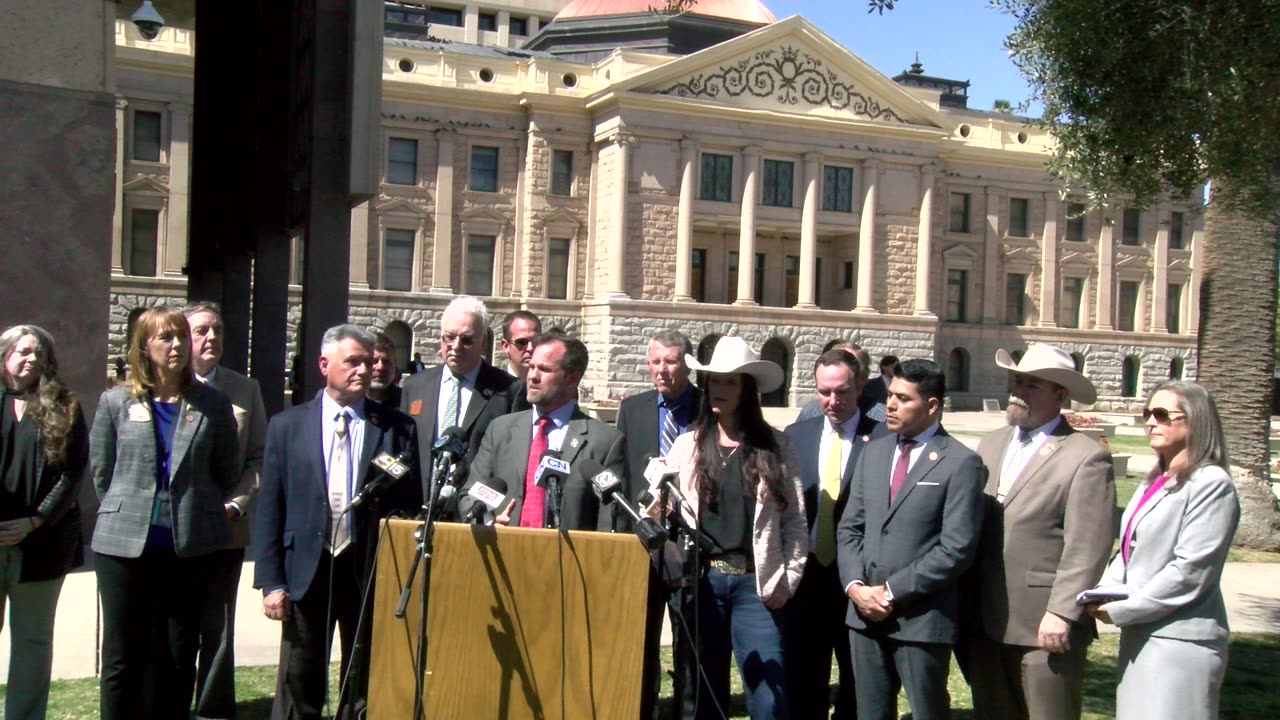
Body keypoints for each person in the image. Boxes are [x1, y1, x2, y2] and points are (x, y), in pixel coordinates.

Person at [254, 324, 420, 720]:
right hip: (306, 568)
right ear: (324, 365)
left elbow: (410, 503)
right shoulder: (287, 426)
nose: (364, 370)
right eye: (353, 362)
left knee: (362, 675)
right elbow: (270, 509)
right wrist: (272, 582)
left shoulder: (397, 428)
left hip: (366, 569)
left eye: (369, 362)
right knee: (299, 675)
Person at [89, 306, 238, 720]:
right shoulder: (116, 401)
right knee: (123, 652)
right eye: (165, 338)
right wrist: (130, 509)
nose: (177, 345)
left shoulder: (212, 403)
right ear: (143, 347)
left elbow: (225, 471)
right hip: (123, 547)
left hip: (188, 545)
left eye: (181, 337)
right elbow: (103, 472)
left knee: (178, 649)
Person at [659, 336, 807, 720]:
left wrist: (787, 579)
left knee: (768, 695)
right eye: (714, 381)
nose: (719, 390)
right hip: (704, 582)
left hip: (754, 585)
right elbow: (665, 509)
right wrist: (656, 503)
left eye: (730, 382)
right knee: (705, 689)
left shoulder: (776, 447)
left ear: (746, 390)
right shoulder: (687, 445)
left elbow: (794, 520)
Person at [966, 343, 1115, 720]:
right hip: (984, 618)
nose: (1017, 391)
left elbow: (1088, 544)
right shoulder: (991, 444)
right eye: (1016, 381)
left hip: (1043, 625)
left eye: (1031, 385)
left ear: (1060, 394)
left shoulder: (1085, 455)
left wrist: (1063, 612)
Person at [837, 359, 985, 720]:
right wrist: (856, 586)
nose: (889, 404)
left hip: (921, 619)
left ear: (932, 406)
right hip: (863, 616)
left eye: (903, 398)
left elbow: (956, 548)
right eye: (889, 395)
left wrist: (889, 592)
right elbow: (850, 528)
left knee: (927, 711)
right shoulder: (874, 451)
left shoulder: (961, 463)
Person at [1085, 380, 1240, 720]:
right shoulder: (1155, 479)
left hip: (1180, 642)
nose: (1151, 422)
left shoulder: (1212, 484)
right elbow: (1129, 552)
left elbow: (1190, 572)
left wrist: (1123, 610)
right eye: (1147, 414)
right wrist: (1104, 593)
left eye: (1161, 414)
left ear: (1196, 421)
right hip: (1141, 635)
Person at [784, 347, 885, 720]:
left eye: (842, 391)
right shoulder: (795, 436)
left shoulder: (884, 439)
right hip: (807, 577)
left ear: (859, 387)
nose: (832, 400)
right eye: (825, 392)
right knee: (803, 677)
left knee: (857, 680)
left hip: (859, 580)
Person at [184, 301, 269, 720]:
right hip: (172, 530)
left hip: (226, 528)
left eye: (216, 329)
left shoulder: (244, 389)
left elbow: (259, 457)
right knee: (174, 623)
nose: (211, 338)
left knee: (217, 626)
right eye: (201, 330)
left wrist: (237, 504)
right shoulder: (167, 386)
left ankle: (214, 709)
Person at [0, 325, 88, 720]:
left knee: (33, 641)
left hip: (41, 543)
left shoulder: (65, 405)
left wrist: (37, 520)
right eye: (22, 351)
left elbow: (73, 472)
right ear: (4, 355)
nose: (31, 359)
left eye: (39, 354)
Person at [615, 329, 701, 720]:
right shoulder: (632, 409)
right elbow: (623, 469)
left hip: (692, 540)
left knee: (689, 640)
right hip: (643, 539)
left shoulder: (706, 408)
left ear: (687, 364)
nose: (662, 370)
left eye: (670, 361)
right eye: (655, 362)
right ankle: (642, 707)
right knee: (641, 636)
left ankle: (686, 709)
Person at [458, 332, 621, 530]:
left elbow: (610, 522)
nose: (533, 376)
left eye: (544, 369)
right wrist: (490, 522)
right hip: (502, 552)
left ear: (572, 379)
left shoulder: (605, 441)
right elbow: (470, 495)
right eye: (532, 367)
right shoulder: (500, 430)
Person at [400, 296, 515, 494]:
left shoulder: (508, 390)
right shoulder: (415, 386)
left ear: (484, 343)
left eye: (467, 339)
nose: (456, 346)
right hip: (422, 507)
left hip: (475, 510)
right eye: (449, 337)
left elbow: (511, 460)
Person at [794, 340, 870, 423]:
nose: (833, 402)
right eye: (825, 392)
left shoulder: (881, 419)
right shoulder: (810, 412)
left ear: (863, 378)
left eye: (842, 392)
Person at [368, 332, 403, 408]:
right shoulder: (349, 401)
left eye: (386, 361)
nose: (380, 367)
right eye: (374, 361)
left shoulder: (406, 401)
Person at [859, 355, 898, 419]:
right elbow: (867, 405)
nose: (896, 370)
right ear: (884, 367)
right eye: (894, 367)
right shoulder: (871, 384)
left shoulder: (899, 386)